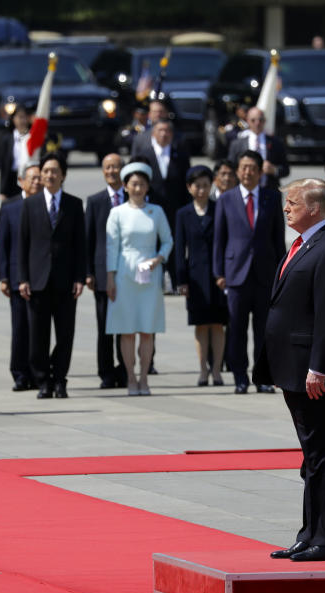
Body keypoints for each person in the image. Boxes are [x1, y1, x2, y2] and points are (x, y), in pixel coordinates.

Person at [254, 178, 325, 562]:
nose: (286, 208)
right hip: (295, 368)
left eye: (292, 202)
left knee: (324, 455)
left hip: (316, 373)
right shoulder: (306, 244)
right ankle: (309, 532)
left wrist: (318, 367)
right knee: (311, 456)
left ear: (314, 208)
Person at [213, 150, 285, 394]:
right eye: (243, 167)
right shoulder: (226, 199)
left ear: (259, 170)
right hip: (236, 274)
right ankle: (240, 377)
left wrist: (282, 272)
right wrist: (219, 273)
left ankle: (263, 377)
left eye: (252, 167)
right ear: (237, 171)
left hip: (265, 274)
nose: (247, 172)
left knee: (265, 330)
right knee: (236, 329)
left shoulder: (272, 198)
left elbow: (278, 240)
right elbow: (219, 240)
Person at [19, 152, 86, 399]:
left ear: (63, 176)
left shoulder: (74, 204)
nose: (49, 175)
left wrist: (80, 277)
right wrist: (23, 278)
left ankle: (60, 378)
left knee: (65, 334)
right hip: (37, 281)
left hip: (66, 281)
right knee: (38, 336)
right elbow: (22, 244)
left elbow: (81, 245)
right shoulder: (30, 204)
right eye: (46, 171)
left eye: (54, 171)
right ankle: (43, 380)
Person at [105, 162, 173, 395]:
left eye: (142, 184)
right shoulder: (117, 213)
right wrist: (110, 277)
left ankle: (144, 377)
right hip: (125, 273)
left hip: (149, 274)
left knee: (146, 328)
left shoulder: (156, 211)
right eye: (133, 184)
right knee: (127, 329)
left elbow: (168, 240)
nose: (137, 188)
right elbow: (112, 247)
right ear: (125, 186)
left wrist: (158, 259)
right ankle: (131, 378)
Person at [175, 166, 227, 387]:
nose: (202, 190)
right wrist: (181, 280)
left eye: (206, 185)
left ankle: (217, 370)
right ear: (189, 187)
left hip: (219, 275)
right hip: (195, 276)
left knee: (218, 324)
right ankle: (203, 370)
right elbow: (179, 248)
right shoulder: (183, 214)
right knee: (200, 325)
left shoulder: (220, 209)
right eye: (197, 185)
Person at [131, 119, 191, 290]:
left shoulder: (179, 153)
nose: (164, 134)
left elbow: (186, 183)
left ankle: (176, 280)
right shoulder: (144, 154)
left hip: (175, 210)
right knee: (151, 244)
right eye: (160, 130)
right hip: (150, 210)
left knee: (174, 244)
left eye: (167, 131)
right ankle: (151, 281)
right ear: (153, 133)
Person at [0, 161, 41, 391]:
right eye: (32, 178)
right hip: (16, 276)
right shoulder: (10, 207)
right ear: (21, 181)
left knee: (39, 328)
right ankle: (20, 373)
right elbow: (3, 243)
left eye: (39, 178)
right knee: (20, 327)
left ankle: (38, 372)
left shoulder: (47, 203)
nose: (37, 182)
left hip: (41, 276)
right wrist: (4, 276)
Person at [85, 153, 127, 389]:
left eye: (116, 167)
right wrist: (88, 272)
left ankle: (124, 369)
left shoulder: (133, 197)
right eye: (108, 167)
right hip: (102, 275)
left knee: (125, 327)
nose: (112, 171)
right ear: (103, 171)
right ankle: (106, 373)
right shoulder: (95, 201)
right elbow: (88, 239)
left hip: (127, 274)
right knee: (105, 327)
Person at [227, 107, 290, 190]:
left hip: (269, 191)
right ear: (247, 121)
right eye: (253, 120)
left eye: (260, 120)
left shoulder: (276, 143)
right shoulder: (237, 144)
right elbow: (230, 168)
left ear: (265, 121)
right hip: (244, 190)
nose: (257, 123)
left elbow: (286, 170)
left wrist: (274, 170)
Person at [0, 105, 31, 202]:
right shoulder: (7, 139)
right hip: (12, 179)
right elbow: (3, 167)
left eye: (25, 117)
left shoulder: (31, 138)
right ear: (13, 119)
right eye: (20, 117)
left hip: (27, 178)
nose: (22, 121)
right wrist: (2, 191)